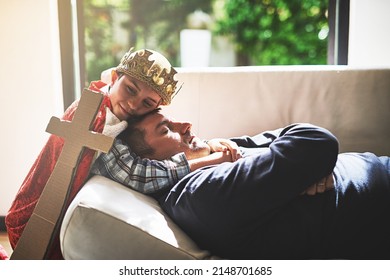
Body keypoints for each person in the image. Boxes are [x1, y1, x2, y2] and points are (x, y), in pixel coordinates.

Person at [4, 48, 231, 260]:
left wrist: (206, 146)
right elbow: (135, 173)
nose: (133, 104)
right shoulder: (97, 118)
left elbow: (165, 146)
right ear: (114, 77)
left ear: (157, 105)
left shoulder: (122, 118)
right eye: (130, 89)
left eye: (148, 103)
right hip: (35, 222)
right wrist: (211, 159)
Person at [118, 109, 390, 259]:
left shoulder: (211, 165)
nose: (186, 124)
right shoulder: (201, 193)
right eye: (166, 130)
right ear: (148, 164)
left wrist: (227, 149)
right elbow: (317, 141)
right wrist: (306, 165)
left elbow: (299, 143)